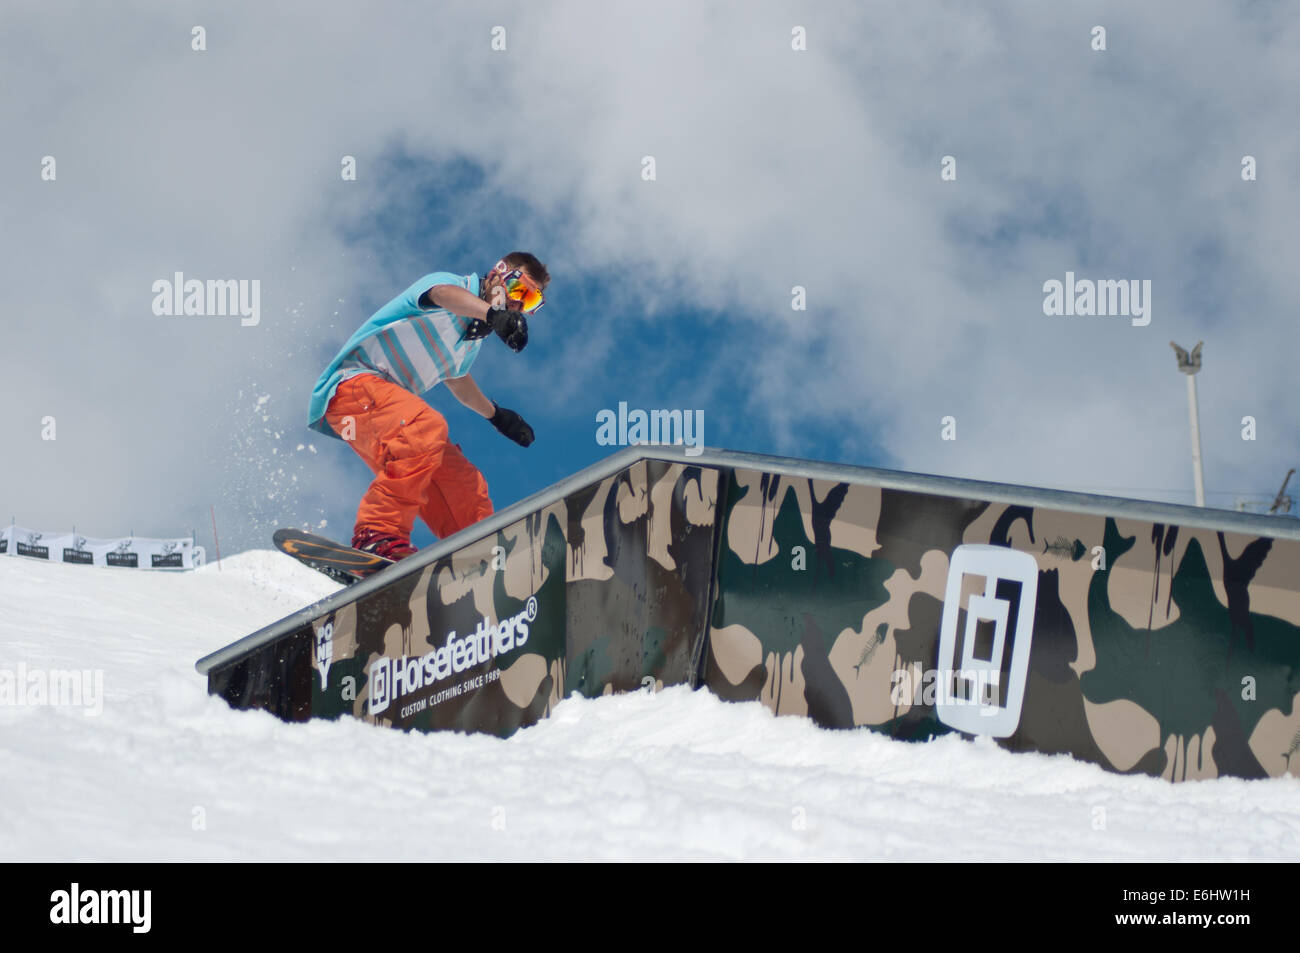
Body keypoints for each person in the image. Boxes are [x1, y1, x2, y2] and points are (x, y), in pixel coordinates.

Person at [307, 252, 548, 560]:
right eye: (520, 292)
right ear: (499, 273)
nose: (518, 305)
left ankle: (479, 555)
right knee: (425, 428)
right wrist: (492, 315)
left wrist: (498, 416)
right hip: (350, 388)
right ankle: (376, 534)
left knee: (462, 480)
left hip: (380, 415)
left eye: (529, 303)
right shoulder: (450, 286)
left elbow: (458, 380)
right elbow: (441, 295)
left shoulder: (469, 342)